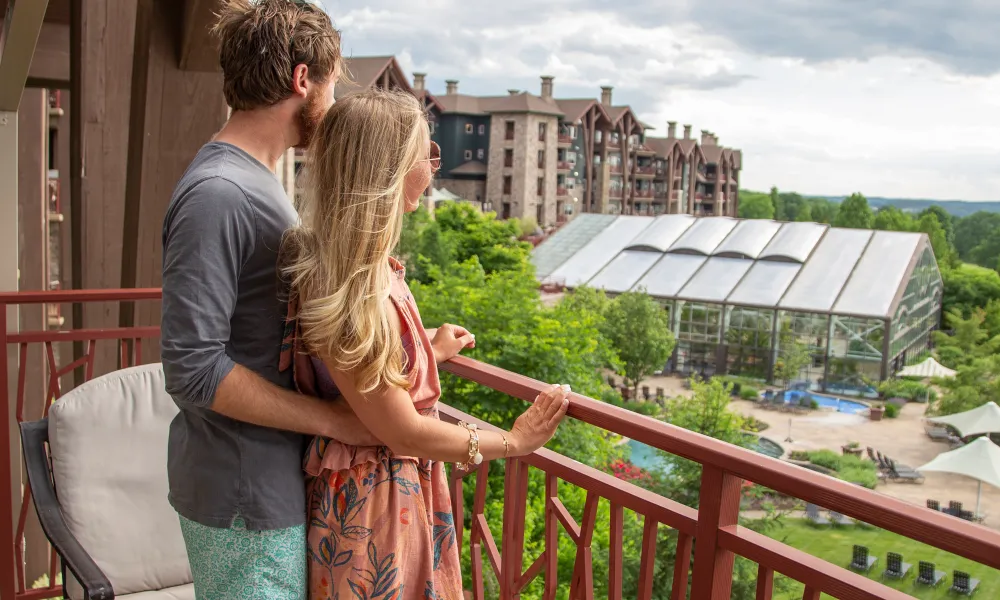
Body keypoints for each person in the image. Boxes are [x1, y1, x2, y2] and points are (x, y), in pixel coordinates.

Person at [279, 89, 570, 599]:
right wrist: (514, 441)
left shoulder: (348, 267)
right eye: (426, 154)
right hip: (376, 509)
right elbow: (406, 433)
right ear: (387, 172)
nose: (434, 168)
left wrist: (424, 354)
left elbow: (361, 379)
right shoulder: (354, 287)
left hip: (374, 498)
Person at [160, 2, 374, 598]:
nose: (330, 105)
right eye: (331, 86)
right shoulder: (220, 194)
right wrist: (333, 421)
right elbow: (194, 368)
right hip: (243, 495)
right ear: (303, 80)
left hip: (261, 485)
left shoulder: (250, 181)